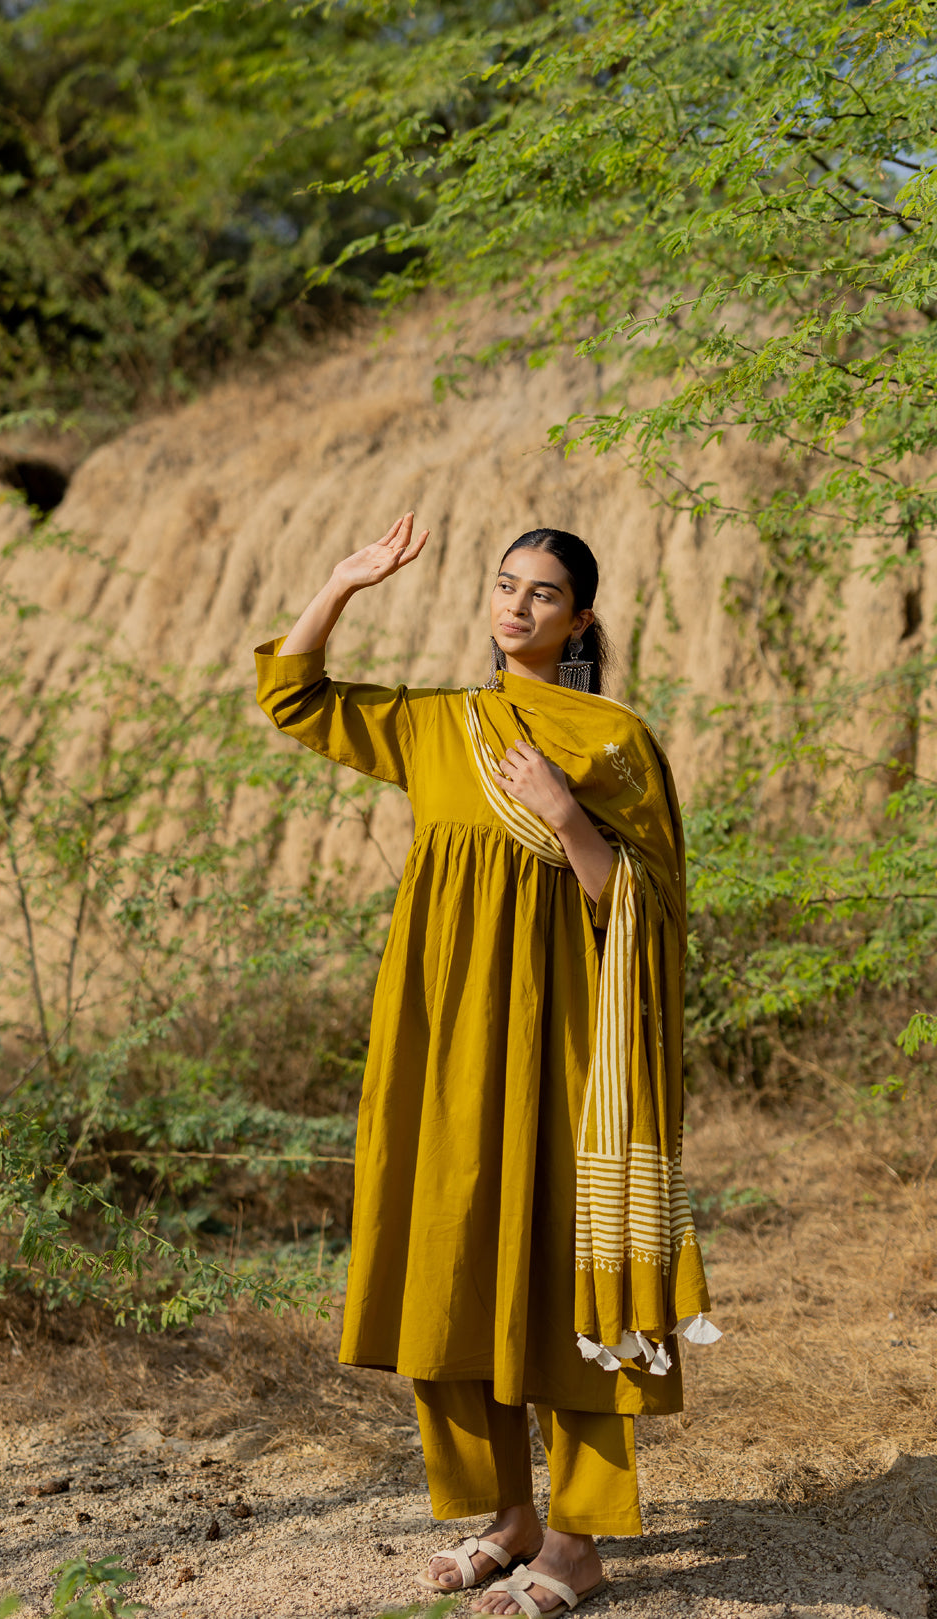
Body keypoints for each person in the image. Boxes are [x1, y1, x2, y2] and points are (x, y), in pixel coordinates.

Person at [255, 513, 717, 1618]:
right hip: (444, 1032)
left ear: (582, 618)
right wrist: (341, 580)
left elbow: (645, 910)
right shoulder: (438, 723)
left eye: (544, 593)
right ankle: (507, 1514)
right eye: (505, 586)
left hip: (562, 1042)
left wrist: (567, 817)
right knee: (451, 1249)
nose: (517, 606)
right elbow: (296, 699)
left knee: (567, 1259)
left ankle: (577, 1537)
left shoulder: (609, 740)